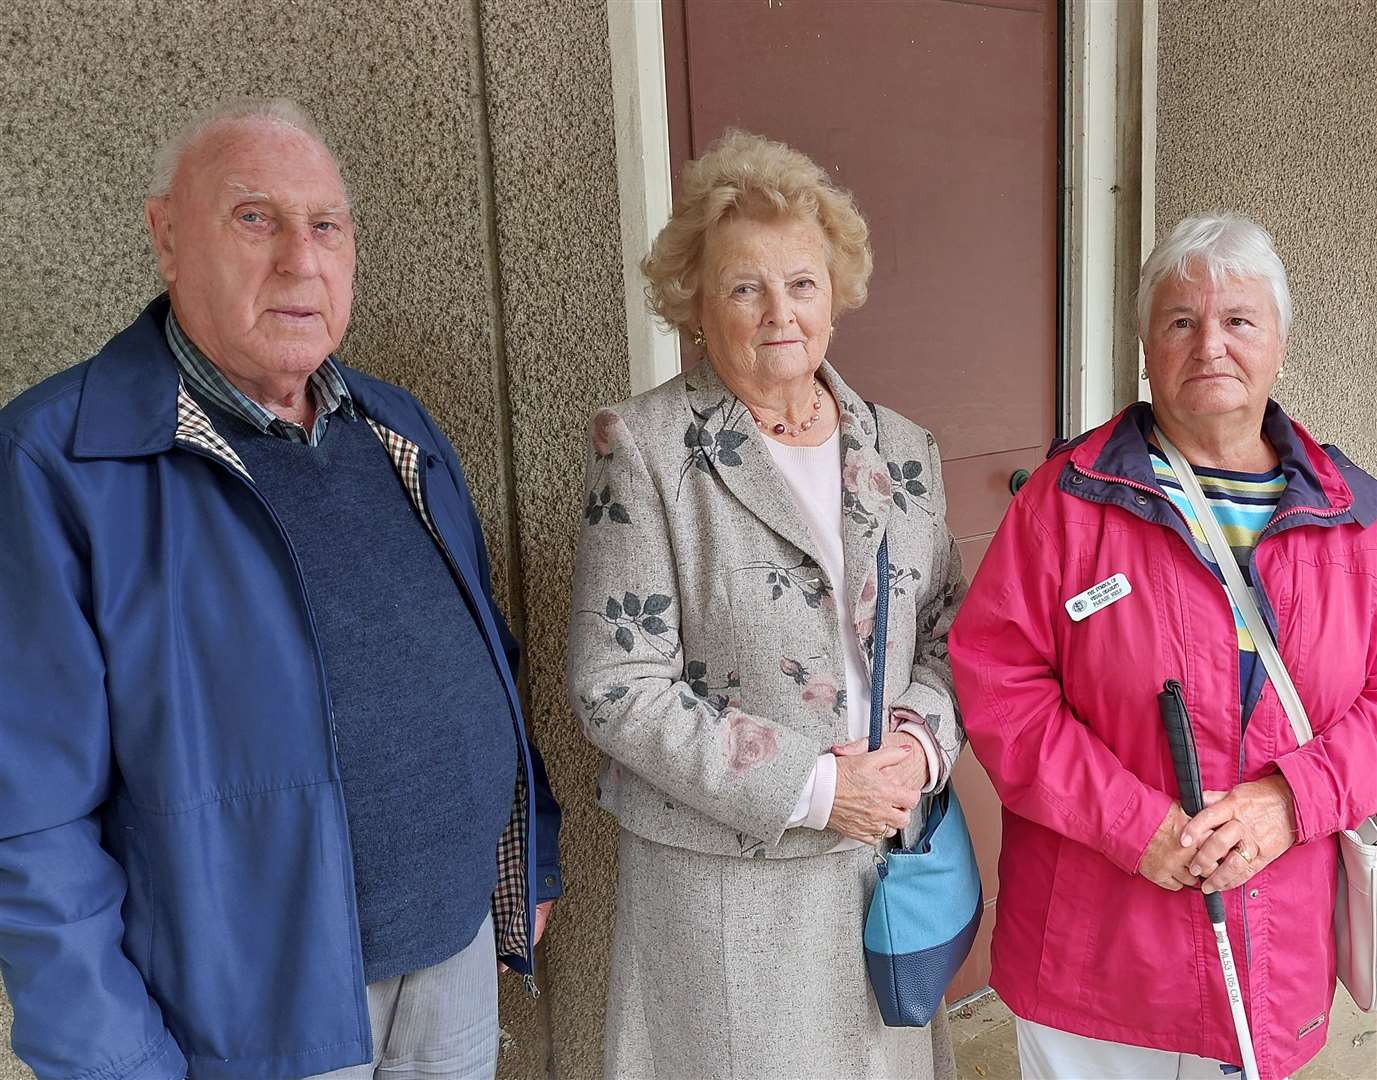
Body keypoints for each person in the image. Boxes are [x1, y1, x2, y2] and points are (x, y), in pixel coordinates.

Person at [0, 97, 562, 1080]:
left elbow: (481, 657)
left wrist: (530, 846)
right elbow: (26, 819)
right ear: (168, 237)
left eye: (327, 225)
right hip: (249, 1024)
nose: (302, 260)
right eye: (255, 218)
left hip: (455, 960)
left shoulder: (397, 427)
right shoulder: (54, 463)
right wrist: (115, 1063)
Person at [565, 130, 965, 1080]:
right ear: (696, 308)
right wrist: (821, 788)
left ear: (835, 295)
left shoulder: (902, 449)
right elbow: (613, 683)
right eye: (745, 286)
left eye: (801, 282)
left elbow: (951, 629)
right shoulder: (648, 448)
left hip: (883, 869)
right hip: (726, 887)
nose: (778, 311)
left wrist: (916, 746)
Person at [949, 212, 1377, 1080]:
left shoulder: (1354, 517)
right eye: (1180, 321)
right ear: (1145, 346)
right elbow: (1000, 689)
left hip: (1269, 941)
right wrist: (1131, 823)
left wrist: (1290, 801)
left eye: (1237, 321)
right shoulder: (1067, 502)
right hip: (1092, 950)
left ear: (1279, 343)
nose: (1209, 345)